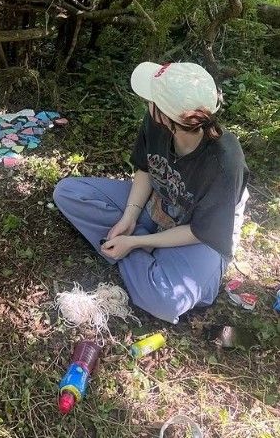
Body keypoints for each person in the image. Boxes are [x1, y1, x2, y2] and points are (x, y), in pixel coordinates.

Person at [53, 62, 249, 324]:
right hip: (156, 206)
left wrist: (135, 242)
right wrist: (129, 218)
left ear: (167, 116)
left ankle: (134, 249)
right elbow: (146, 169)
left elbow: (202, 231)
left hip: (198, 236)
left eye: (152, 100)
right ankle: (143, 253)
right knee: (69, 192)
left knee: (166, 301)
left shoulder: (226, 162)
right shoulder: (156, 123)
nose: (148, 103)